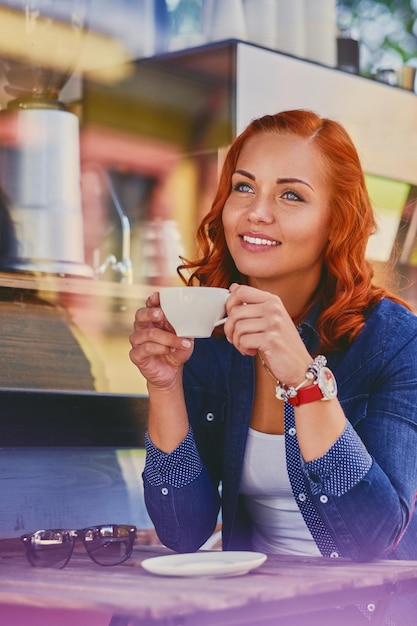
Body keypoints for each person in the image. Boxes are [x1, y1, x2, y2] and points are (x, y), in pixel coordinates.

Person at [129, 110, 417, 621]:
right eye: (243, 188)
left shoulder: (393, 339)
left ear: (336, 222)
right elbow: (183, 531)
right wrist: (165, 386)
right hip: (253, 606)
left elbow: (374, 537)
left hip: (370, 610)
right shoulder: (210, 333)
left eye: (291, 195)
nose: (255, 213)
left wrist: (304, 379)